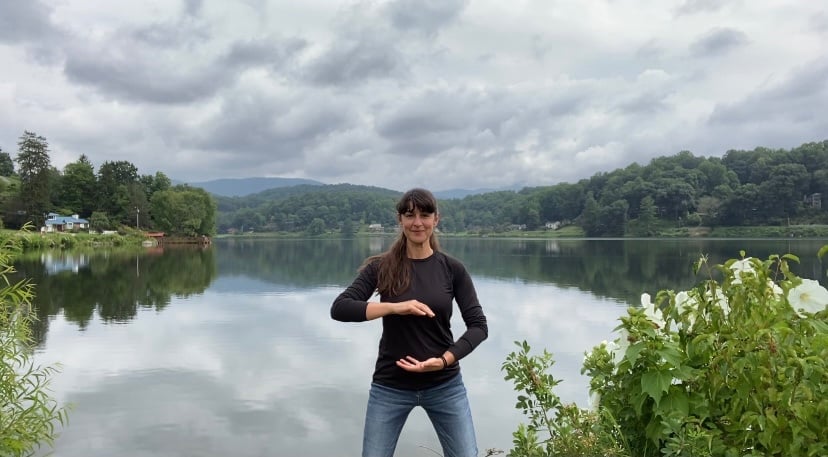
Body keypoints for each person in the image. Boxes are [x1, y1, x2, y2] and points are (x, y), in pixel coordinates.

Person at [331, 188, 488, 457]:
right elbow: (340, 308)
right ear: (399, 220)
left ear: (436, 219)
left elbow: (478, 326)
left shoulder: (451, 269)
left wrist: (444, 360)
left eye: (425, 215)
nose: (418, 222)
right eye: (410, 215)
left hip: (444, 385)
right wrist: (393, 307)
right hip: (390, 386)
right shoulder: (380, 267)